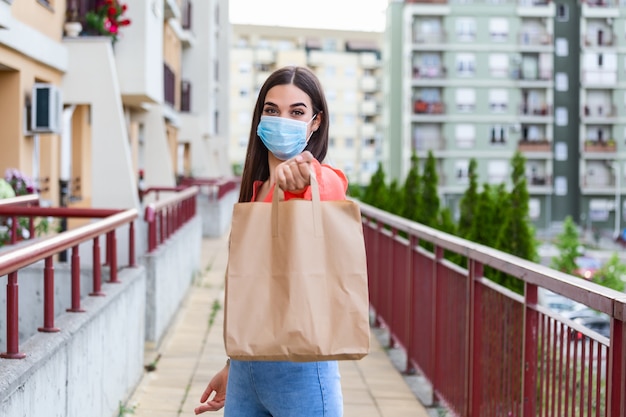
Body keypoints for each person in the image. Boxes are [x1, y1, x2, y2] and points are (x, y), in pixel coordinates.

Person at [194, 66, 347, 416]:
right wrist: (234, 363)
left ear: (316, 122)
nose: (282, 119)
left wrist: (305, 181)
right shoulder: (254, 192)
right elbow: (253, 294)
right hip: (247, 373)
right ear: (259, 117)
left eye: (297, 112)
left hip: (303, 372)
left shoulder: (313, 181)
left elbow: (332, 185)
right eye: (272, 110)